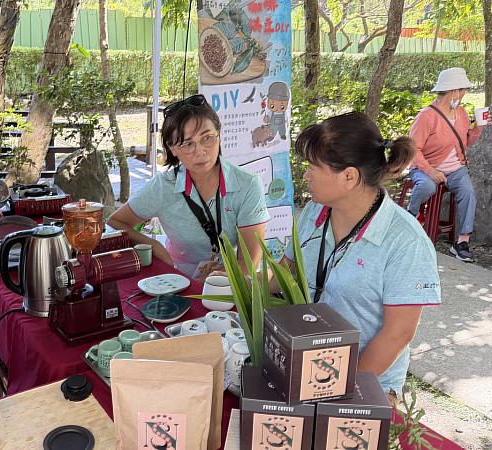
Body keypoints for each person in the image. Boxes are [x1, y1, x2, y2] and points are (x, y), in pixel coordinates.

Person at [283, 111, 440, 404]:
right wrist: (237, 282)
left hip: (366, 382)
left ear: (349, 176)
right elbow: (285, 273)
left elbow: (398, 333)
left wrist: (339, 389)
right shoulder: (316, 213)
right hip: (309, 361)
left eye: (313, 166)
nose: (306, 174)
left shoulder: (405, 241)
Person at [108, 94, 270, 281]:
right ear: (172, 148)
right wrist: (154, 246)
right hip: (177, 280)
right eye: (187, 143)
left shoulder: (247, 185)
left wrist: (213, 281)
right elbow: (116, 222)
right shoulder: (163, 187)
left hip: (231, 284)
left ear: (219, 134)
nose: (200, 151)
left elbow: (248, 265)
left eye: (208, 138)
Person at [407, 67, 485, 262]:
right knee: (426, 185)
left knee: (468, 193)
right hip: (425, 167)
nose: (464, 94)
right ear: (453, 91)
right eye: (463, 90)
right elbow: (413, 150)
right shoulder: (427, 116)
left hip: (455, 169)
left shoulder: (461, 113)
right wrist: (431, 171)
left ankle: (462, 242)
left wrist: (478, 130)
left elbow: (465, 142)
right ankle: (410, 217)